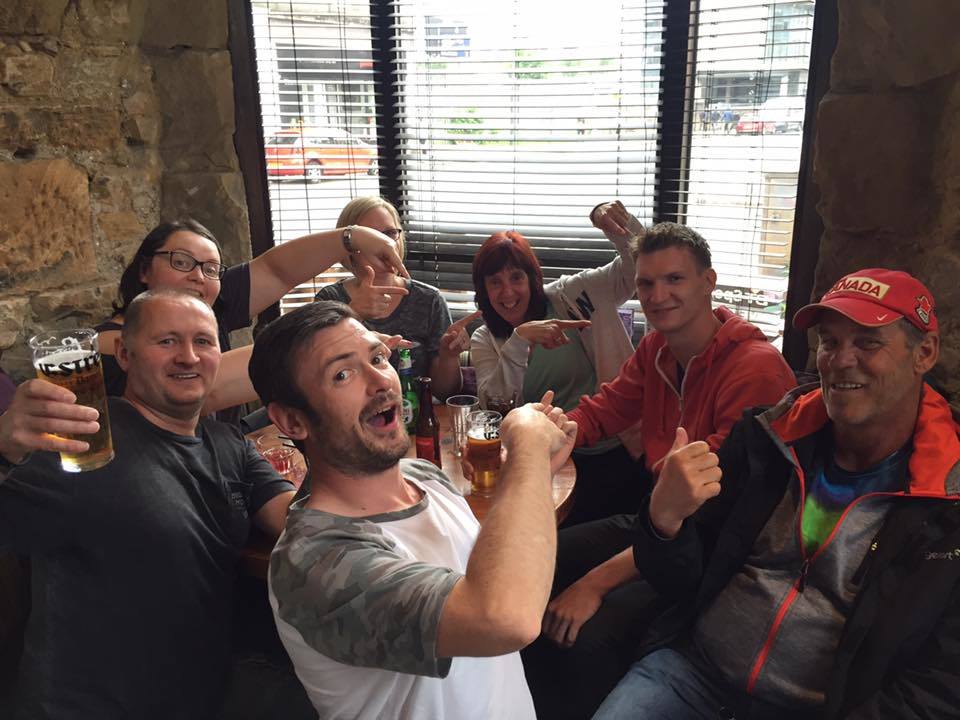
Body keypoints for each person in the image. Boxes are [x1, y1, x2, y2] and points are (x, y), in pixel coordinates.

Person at [595, 267, 960, 719]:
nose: (841, 359)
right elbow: (683, 580)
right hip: (694, 671)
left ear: (924, 353)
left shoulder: (947, 500)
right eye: (830, 341)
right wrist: (664, 523)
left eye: (867, 342)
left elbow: (942, 683)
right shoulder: (767, 437)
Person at [523, 208, 796, 720]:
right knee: (540, 556)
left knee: (582, 634)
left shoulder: (756, 369)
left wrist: (595, 584)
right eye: (646, 283)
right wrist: (558, 428)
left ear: (708, 282)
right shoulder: (656, 349)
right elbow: (605, 408)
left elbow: (702, 515)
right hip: (657, 523)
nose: (657, 295)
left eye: (674, 279)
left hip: (713, 552)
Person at [247, 301, 578, 720]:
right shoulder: (314, 562)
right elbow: (504, 618)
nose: (380, 382)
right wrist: (528, 445)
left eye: (378, 357)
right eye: (342, 374)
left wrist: (528, 475)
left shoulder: (424, 475)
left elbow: (486, 566)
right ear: (293, 422)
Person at [0, 290, 302, 720]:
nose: (188, 357)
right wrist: (3, 449)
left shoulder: (228, 444)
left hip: (200, 692)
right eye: (167, 341)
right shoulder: (82, 439)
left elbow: (296, 518)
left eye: (203, 342)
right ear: (124, 354)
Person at [97, 217, 406, 416]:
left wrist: (352, 238)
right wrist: (337, 340)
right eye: (181, 262)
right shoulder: (108, 343)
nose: (198, 276)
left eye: (211, 269)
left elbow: (277, 271)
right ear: (144, 270)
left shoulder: (209, 303)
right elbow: (212, 387)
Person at [469, 204, 646, 525]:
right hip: (548, 461)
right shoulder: (485, 339)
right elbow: (494, 408)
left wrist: (613, 223)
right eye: (494, 282)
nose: (507, 292)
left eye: (516, 277)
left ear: (533, 278)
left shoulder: (575, 295)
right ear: (483, 290)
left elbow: (642, 264)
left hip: (615, 450)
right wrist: (520, 339)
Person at [315, 196, 471, 399]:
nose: (384, 244)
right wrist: (353, 313)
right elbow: (316, 374)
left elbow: (444, 393)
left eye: (390, 233)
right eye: (370, 237)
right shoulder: (330, 299)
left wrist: (449, 356)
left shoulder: (429, 299)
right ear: (349, 249)